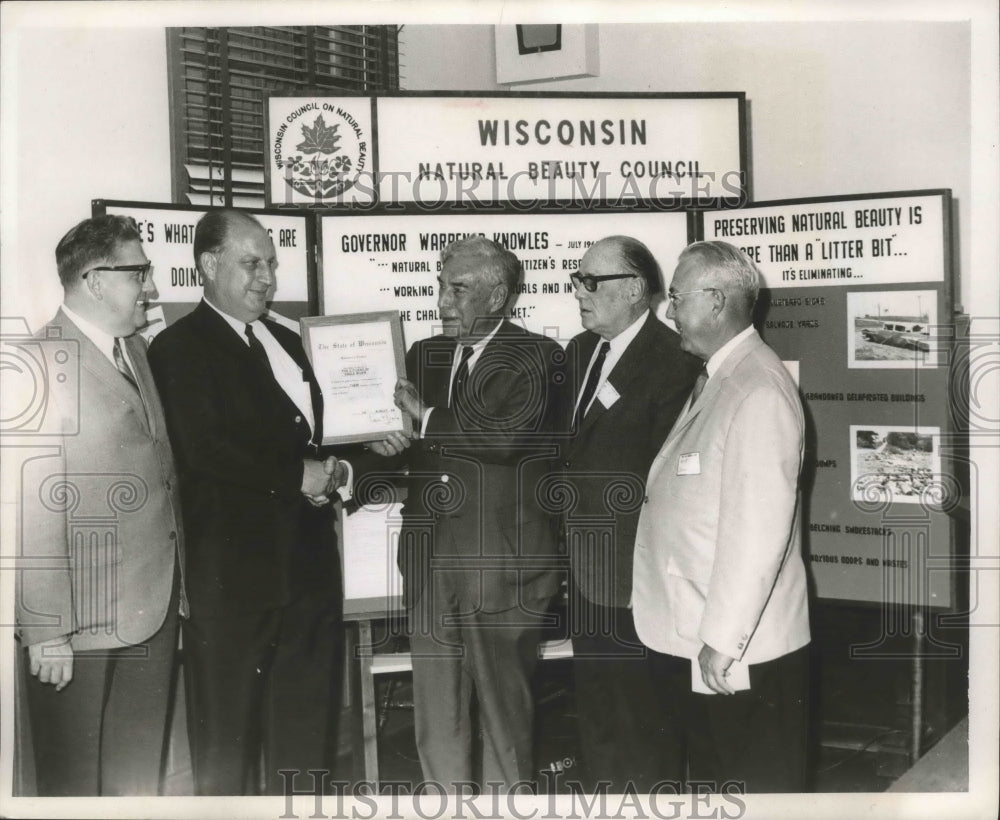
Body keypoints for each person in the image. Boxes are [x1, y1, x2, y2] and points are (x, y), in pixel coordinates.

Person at [147, 209, 348, 795]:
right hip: (233, 586)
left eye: (272, 263)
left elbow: (318, 436)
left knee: (307, 739)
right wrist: (298, 476)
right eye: (251, 263)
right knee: (225, 751)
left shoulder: (289, 339)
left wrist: (367, 441)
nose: (267, 277)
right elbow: (205, 449)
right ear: (209, 266)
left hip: (309, 576)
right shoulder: (178, 348)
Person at [369, 236, 565, 792]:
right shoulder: (424, 356)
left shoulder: (538, 357)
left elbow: (503, 439)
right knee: (436, 713)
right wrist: (377, 452)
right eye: (439, 285)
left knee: (504, 716)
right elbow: (412, 443)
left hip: (502, 567)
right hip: (431, 561)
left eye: (456, 289)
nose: (441, 301)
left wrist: (424, 416)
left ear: (499, 296)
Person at [632, 240, 811, 793]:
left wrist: (723, 640)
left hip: (737, 649)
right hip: (704, 636)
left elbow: (758, 533)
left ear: (715, 302)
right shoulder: (722, 375)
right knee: (716, 785)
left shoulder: (756, 390)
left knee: (752, 789)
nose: (668, 311)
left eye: (678, 298)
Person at [16, 214, 186, 795]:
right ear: (94, 280)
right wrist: (46, 632)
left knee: (135, 782)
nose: (152, 287)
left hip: (151, 610)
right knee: (73, 788)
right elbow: (29, 511)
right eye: (139, 272)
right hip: (78, 629)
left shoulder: (135, 350)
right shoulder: (36, 364)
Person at [559, 236, 701, 791]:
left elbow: (674, 481)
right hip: (585, 568)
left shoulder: (674, 362)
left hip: (638, 575)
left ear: (637, 289)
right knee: (596, 710)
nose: (578, 291)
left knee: (644, 720)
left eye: (592, 281)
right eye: (577, 278)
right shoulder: (578, 351)